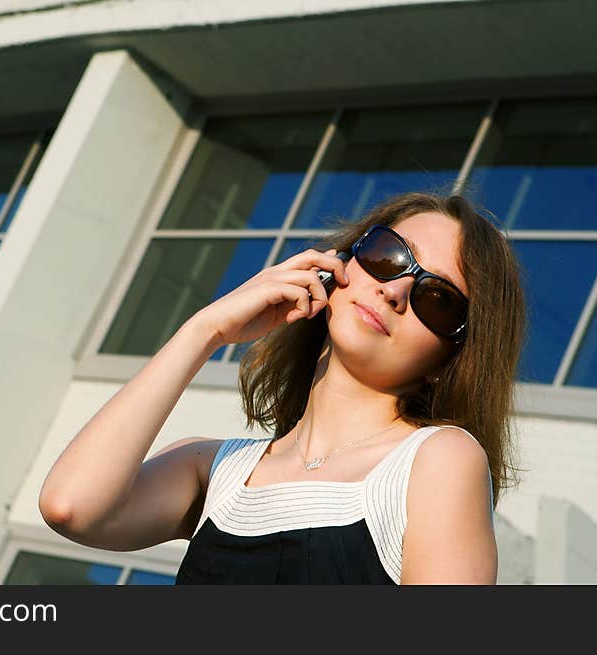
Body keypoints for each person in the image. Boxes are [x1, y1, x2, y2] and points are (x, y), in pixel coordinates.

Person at [38, 191, 527, 585]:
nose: (395, 290)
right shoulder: (215, 469)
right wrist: (205, 332)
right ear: (341, 264)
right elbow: (71, 507)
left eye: (438, 299)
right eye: (388, 256)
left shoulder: (439, 461)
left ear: (451, 359)